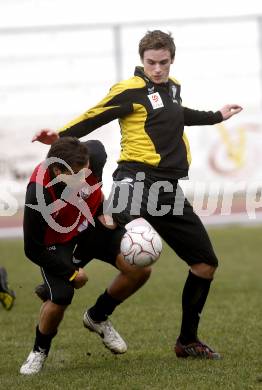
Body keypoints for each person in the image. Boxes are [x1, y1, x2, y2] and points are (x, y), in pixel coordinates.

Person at [33, 30, 243, 359]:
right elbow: (96, 113)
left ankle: (184, 340)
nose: (157, 68)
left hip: (168, 189)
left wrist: (216, 116)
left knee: (205, 264)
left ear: (171, 59)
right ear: (142, 61)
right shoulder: (130, 89)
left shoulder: (172, 88)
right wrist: (61, 137)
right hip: (137, 178)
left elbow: (178, 114)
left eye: (163, 62)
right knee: (108, 222)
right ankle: (57, 277)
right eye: (151, 63)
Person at [20, 137, 152, 375]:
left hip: (89, 225)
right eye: (77, 176)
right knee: (61, 296)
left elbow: (95, 181)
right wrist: (71, 273)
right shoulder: (38, 192)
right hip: (55, 241)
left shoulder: (92, 156)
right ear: (58, 171)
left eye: (87, 171)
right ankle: (39, 351)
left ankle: (97, 316)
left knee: (139, 268)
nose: (84, 180)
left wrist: (104, 212)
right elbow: (32, 248)